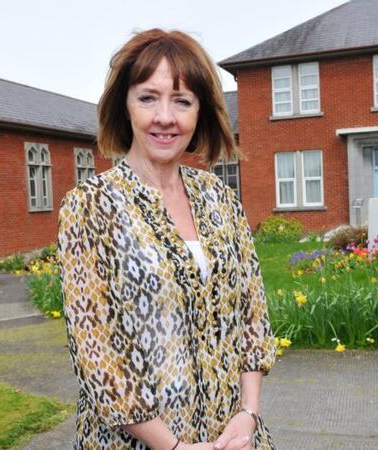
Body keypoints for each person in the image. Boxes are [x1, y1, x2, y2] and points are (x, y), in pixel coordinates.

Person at [57, 28, 277, 450]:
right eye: (148, 98)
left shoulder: (219, 197)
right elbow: (96, 351)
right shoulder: (91, 206)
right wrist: (171, 447)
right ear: (124, 107)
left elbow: (253, 316)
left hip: (233, 438)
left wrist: (248, 415)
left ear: (200, 113)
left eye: (182, 101)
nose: (165, 117)